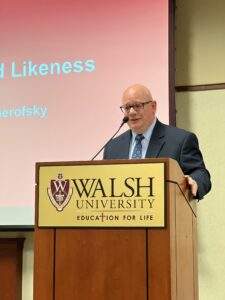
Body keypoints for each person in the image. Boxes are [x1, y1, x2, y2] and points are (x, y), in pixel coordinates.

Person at [103, 84, 211, 200]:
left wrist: (194, 181)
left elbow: (201, 174)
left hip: (166, 214)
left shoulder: (181, 140)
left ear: (153, 106)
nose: (132, 112)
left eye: (137, 106)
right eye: (127, 107)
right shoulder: (112, 147)